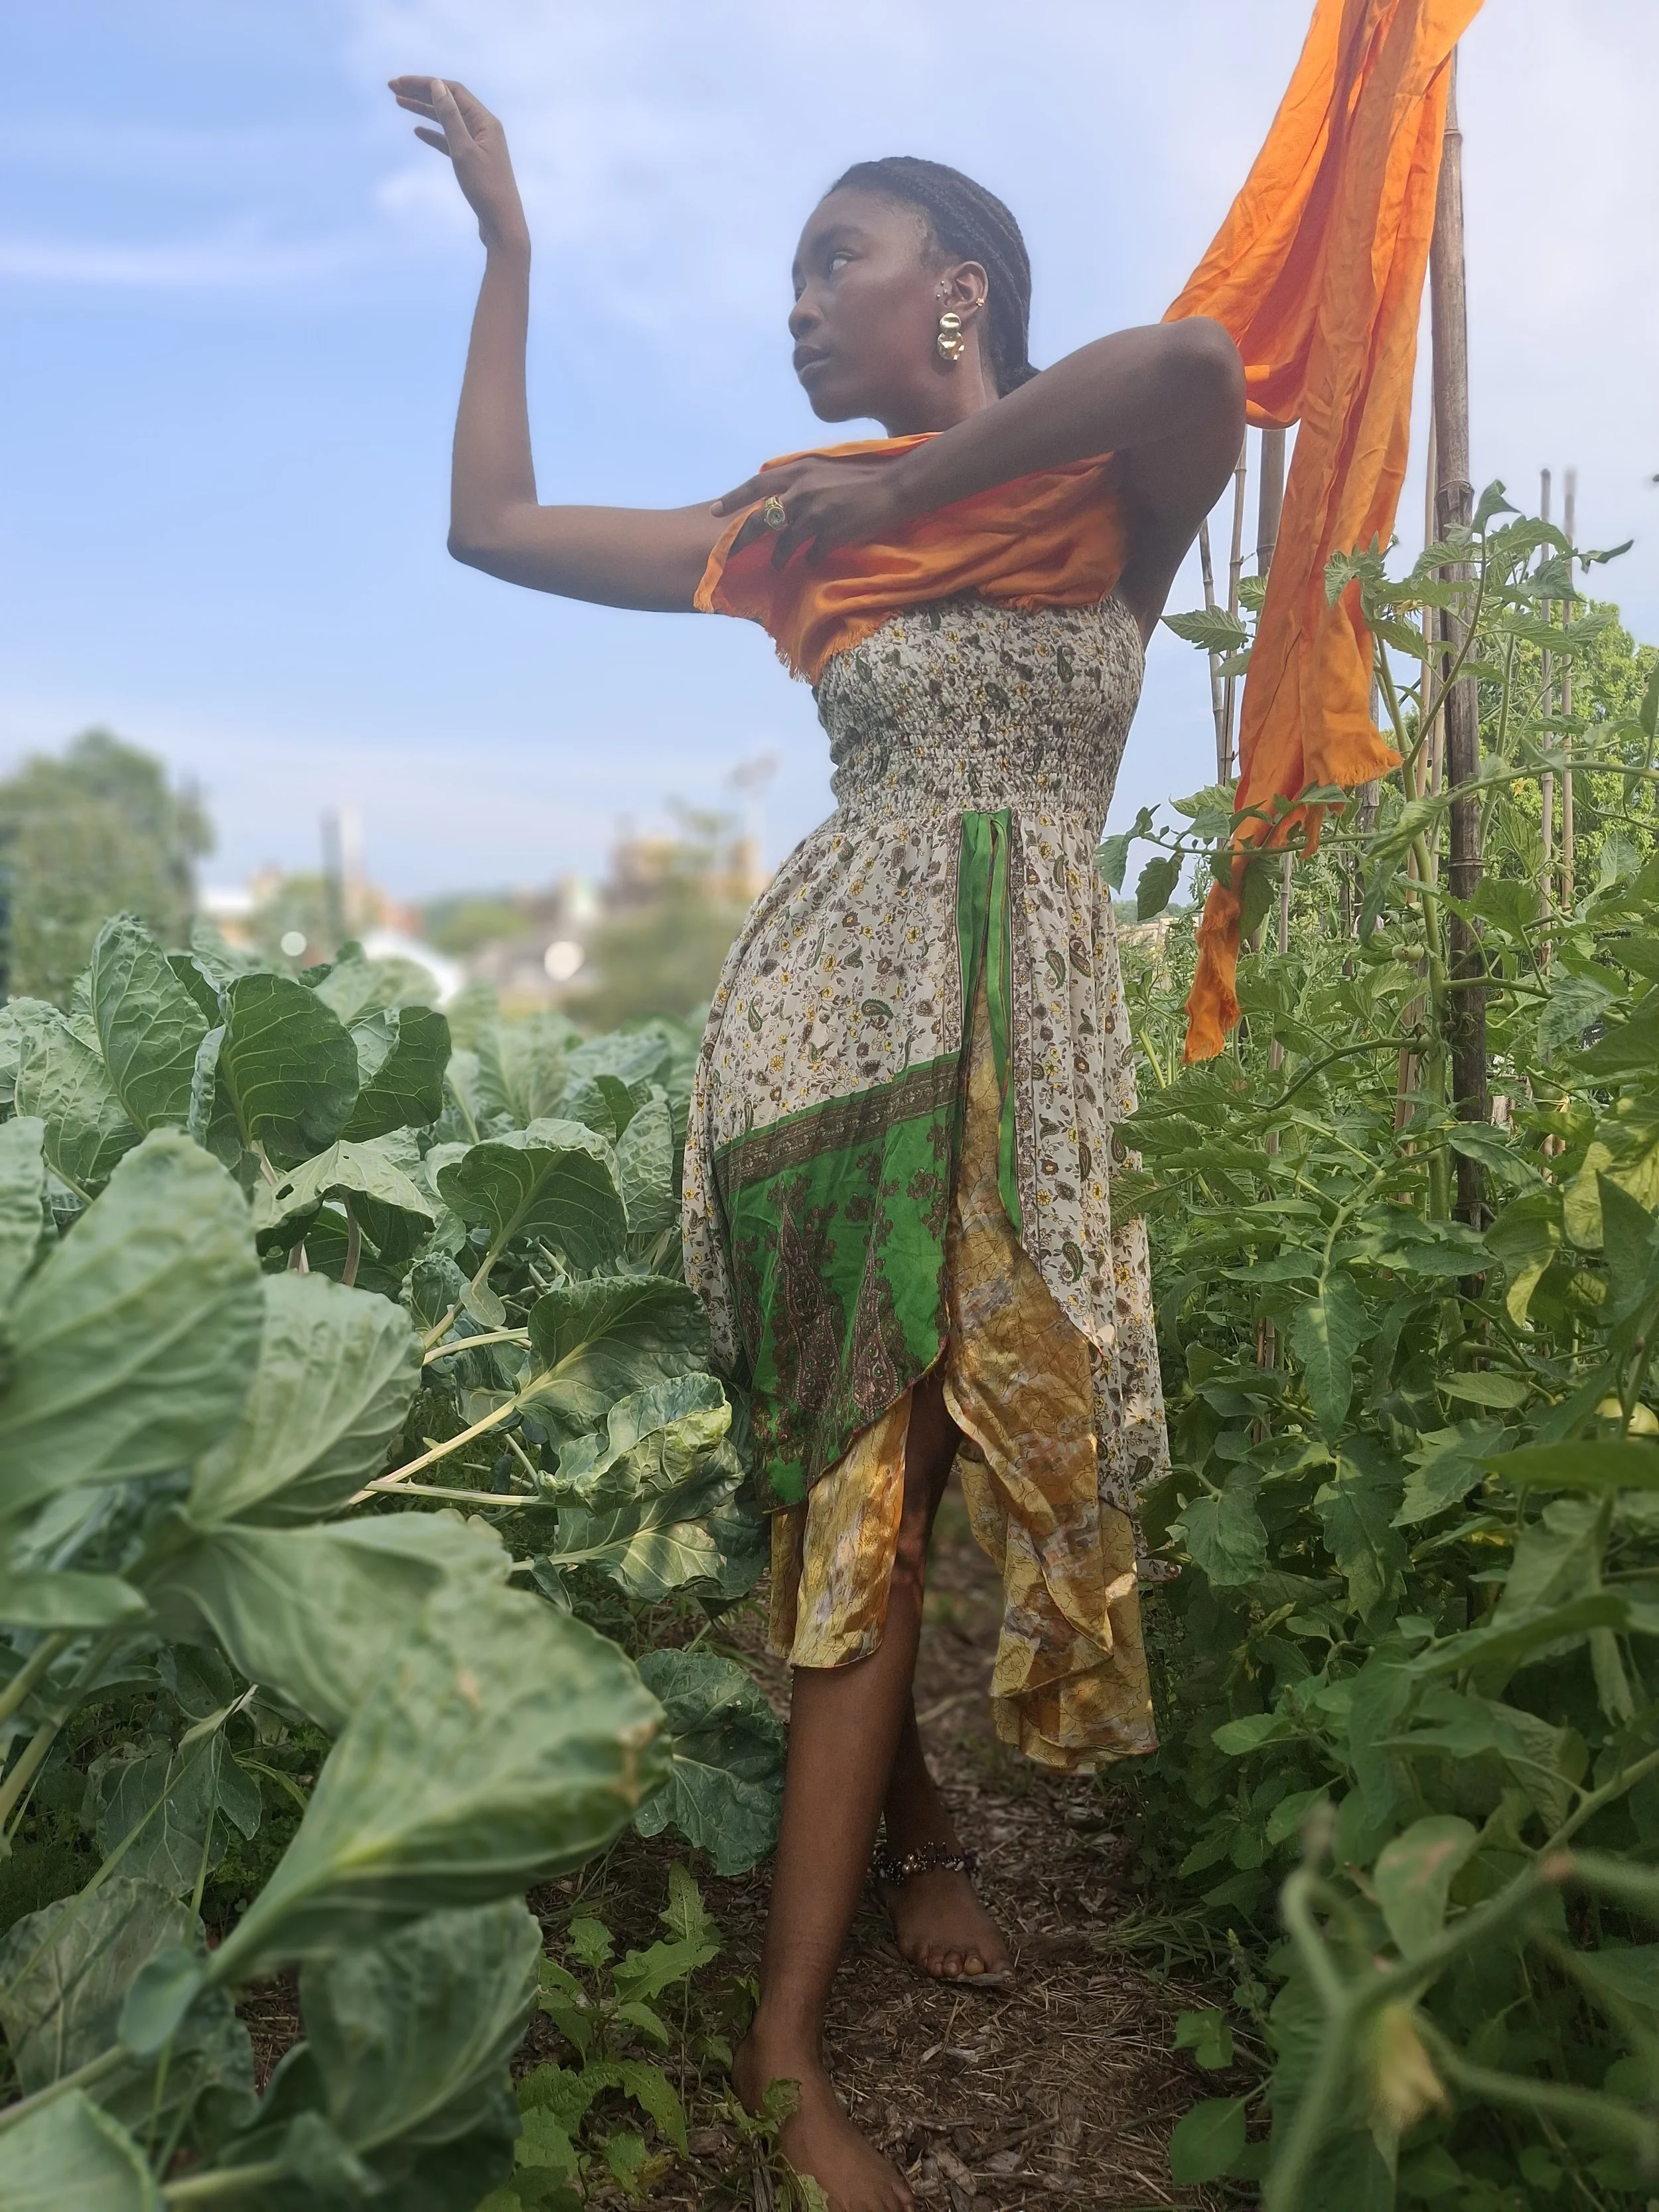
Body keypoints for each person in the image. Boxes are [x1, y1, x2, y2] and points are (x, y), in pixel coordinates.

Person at [390, 74, 1243, 2212]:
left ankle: (927, 1820)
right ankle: (784, 2045)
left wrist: (902, 491)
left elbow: (1196, 363)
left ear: (956, 291)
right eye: (785, 276)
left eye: (830, 264)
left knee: (964, 1450)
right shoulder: (791, 519)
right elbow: (488, 529)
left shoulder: (1090, 495)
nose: (795, 308)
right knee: (859, 1485)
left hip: (1030, 1033)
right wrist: (508, 255)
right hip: (827, 1031)